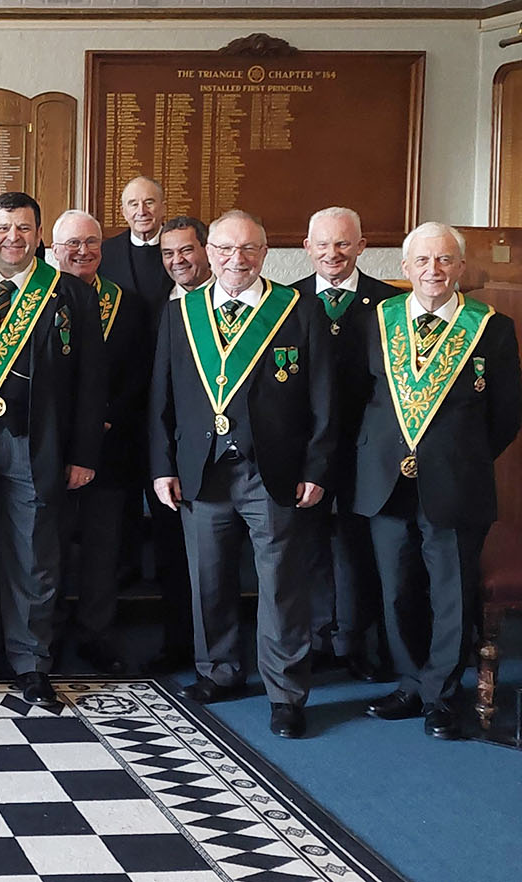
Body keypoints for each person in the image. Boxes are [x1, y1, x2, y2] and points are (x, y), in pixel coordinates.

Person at [149, 209, 334, 739]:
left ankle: (286, 694)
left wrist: (316, 467)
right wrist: (162, 466)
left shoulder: (298, 310)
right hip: (201, 473)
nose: (236, 260)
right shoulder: (181, 314)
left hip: (273, 474)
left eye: (248, 249)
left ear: (265, 252)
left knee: (281, 586)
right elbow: (160, 399)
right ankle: (220, 672)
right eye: (226, 250)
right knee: (208, 579)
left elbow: (324, 399)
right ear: (209, 253)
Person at [354, 222, 520, 740]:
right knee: (397, 590)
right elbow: (358, 398)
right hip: (385, 480)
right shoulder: (378, 321)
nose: (434, 271)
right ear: (405, 269)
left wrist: (457, 457)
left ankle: (442, 697)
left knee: (452, 593)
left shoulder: (491, 328)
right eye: (423, 261)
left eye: (445, 260)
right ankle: (409, 682)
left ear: (460, 267)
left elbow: (506, 414)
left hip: (456, 483)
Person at [0, 192, 104, 706]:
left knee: (35, 554)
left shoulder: (69, 295)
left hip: (38, 442)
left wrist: (84, 453)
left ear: (39, 235)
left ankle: (31, 660)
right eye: (4, 227)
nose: (14, 238)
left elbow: (90, 382)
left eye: (25, 228)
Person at [294, 206, 398, 683]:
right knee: (307, 547)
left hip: (366, 450)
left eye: (343, 244)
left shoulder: (388, 303)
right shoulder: (287, 302)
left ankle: (361, 642)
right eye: (323, 244)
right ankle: (316, 639)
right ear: (307, 248)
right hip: (307, 450)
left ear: (361, 247)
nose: (332, 254)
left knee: (363, 547)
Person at [52, 209, 151, 676]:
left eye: (92, 242)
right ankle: (43, 638)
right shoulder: (38, 301)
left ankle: (96, 636)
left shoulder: (128, 303)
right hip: (49, 449)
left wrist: (102, 422)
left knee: (101, 549)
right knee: (44, 549)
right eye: (72, 243)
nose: (83, 251)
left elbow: (140, 375)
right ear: (54, 250)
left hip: (110, 449)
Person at [144, 215, 212, 673]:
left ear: (207, 249)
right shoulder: (160, 307)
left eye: (186, 250)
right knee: (175, 558)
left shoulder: (238, 303)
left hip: (234, 457)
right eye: (168, 254)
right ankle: (179, 644)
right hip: (176, 456)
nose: (177, 261)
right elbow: (158, 394)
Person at [99, 176, 174, 304]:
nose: (142, 211)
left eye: (149, 202)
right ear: (124, 212)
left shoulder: (181, 248)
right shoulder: (105, 252)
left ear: (163, 208)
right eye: (133, 204)